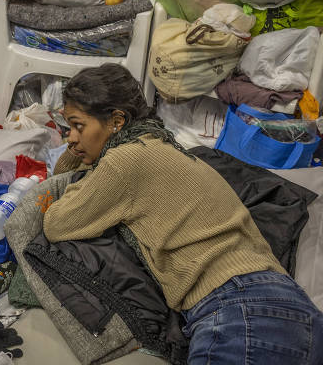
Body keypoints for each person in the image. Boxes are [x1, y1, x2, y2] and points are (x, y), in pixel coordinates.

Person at [44, 63, 323, 364]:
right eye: (67, 129)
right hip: (292, 310)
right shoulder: (163, 146)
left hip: (237, 308)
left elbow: (58, 223)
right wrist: (80, 142)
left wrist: (76, 163)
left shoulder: (124, 161)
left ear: (116, 121)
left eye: (77, 126)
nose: (70, 138)